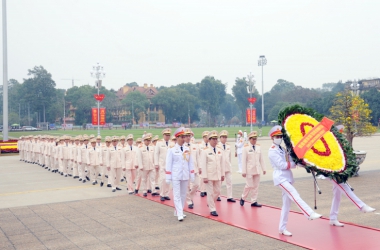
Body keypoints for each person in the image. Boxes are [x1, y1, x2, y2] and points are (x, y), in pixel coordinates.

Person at [268, 125, 321, 236]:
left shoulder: (282, 149)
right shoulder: (272, 151)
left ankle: (282, 228)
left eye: (280, 136)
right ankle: (309, 213)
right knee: (294, 194)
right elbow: (281, 164)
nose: (279, 138)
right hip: (280, 177)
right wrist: (294, 164)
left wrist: (305, 164)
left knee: (286, 205)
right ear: (272, 138)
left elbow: (292, 160)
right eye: (276, 136)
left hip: (287, 177)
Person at [165, 127, 194, 221]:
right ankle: (180, 213)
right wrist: (168, 176)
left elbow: (190, 162)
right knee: (176, 194)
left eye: (184, 137)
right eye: (182, 137)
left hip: (184, 174)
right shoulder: (172, 150)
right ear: (177, 138)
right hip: (176, 175)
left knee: (183, 194)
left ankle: (177, 210)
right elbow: (168, 164)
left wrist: (192, 174)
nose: (183, 138)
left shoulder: (187, 149)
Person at [200, 130, 225, 216]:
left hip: (218, 174)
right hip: (209, 175)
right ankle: (212, 209)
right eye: (213, 139)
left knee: (217, 191)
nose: (215, 141)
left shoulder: (219, 150)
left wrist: (222, 174)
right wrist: (204, 176)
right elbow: (203, 164)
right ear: (209, 140)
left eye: (216, 139)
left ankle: (210, 202)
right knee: (210, 192)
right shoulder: (205, 150)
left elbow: (222, 163)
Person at [240, 131, 265, 207]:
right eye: (253, 139)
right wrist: (243, 171)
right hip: (249, 170)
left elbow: (261, 159)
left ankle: (253, 201)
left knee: (255, 186)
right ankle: (243, 198)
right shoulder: (246, 148)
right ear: (249, 139)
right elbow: (243, 160)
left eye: (255, 139)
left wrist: (264, 169)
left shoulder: (258, 147)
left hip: (257, 170)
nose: (254, 140)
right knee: (249, 185)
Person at [154, 128, 172, 201]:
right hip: (162, 164)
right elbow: (156, 153)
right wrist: (156, 163)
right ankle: (162, 194)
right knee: (162, 179)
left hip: (170, 165)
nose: (167, 136)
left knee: (168, 180)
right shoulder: (159, 143)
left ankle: (166, 194)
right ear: (163, 135)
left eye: (168, 135)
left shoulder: (172, 143)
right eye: (166, 135)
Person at [184, 128, 200, 209]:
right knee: (187, 186)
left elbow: (198, 157)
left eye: (189, 136)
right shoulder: (182, 146)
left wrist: (200, 167)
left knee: (197, 184)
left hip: (195, 168)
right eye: (186, 136)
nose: (188, 137)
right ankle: (189, 201)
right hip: (186, 169)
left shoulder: (195, 146)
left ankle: (190, 197)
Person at [218, 130, 235, 202]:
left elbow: (229, 157)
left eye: (226, 137)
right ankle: (218, 195)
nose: (225, 139)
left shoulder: (228, 146)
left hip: (228, 167)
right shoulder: (217, 146)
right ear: (220, 138)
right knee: (219, 183)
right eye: (223, 137)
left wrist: (230, 165)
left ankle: (229, 197)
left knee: (229, 182)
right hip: (220, 168)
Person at [198, 131, 209, 197]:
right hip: (202, 163)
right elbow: (198, 156)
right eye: (206, 137)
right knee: (202, 177)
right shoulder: (199, 145)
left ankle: (206, 190)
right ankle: (202, 190)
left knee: (207, 177)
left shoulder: (210, 145)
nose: (207, 139)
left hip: (208, 163)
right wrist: (199, 165)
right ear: (204, 137)